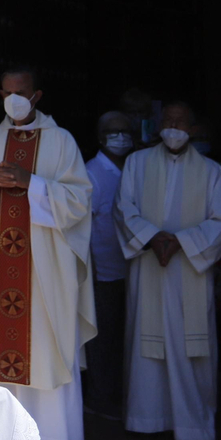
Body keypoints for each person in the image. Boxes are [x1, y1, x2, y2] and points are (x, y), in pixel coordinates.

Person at [0, 65, 94, 440]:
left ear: (37, 95)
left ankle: (53, 438)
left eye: (22, 91)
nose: (14, 99)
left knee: (46, 344)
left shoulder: (61, 142)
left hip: (45, 269)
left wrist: (31, 182)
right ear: (0, 96)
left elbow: (80, 201)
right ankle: (3, 438)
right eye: (6, 92)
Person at [114, 100, 221, 440]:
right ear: (157, 124)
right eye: (168, 119)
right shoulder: (136, 164)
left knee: (189, 348)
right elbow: (123, 209)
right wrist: (152, 239)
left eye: (181, 121)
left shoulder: (212, 171)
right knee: (145, 347)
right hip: (148, 269)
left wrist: (181, 242)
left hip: (189, 275)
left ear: (193, 128)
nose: (173, 126)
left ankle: (191, 425)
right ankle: (145, 419)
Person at [84, 110, 135, 420]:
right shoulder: (92, 174)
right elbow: (83, 227)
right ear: (101, 137)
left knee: (122, 338)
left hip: (131, 268)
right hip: (101, 271)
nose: (121, 137)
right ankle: (99, 399)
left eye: (125, 130)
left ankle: (119, 396)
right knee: (102, 339)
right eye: (114, 131)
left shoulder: (134, 168)